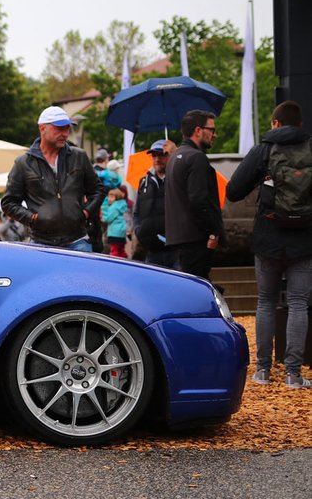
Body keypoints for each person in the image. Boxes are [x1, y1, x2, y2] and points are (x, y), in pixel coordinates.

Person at [225, 101, 312, 389]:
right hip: (304, 239)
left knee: (265, 302)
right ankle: (294, 375)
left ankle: (262, 371)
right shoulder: (309, 147)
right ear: (299, 124)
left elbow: (234, 191)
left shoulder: (263, 150)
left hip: (268, 237)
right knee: (299, 303)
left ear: (275, 123)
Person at [1, 106, 105, 251]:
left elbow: (98, 190)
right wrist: (32, 218)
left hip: (77, 240)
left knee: (80, 275)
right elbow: (8, 202)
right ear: (42, 128)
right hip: (41, 243)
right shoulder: (24, 163)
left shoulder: (79, 156)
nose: (65, 134)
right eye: (59, 128)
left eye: (67, 128)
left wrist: (85, 213)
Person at [165, 110, 223, 279]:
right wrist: (212, 232)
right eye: (211, 130)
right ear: (198, 130)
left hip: (178, 239)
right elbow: (199, 200)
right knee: (198, 292)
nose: (215, 135)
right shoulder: (197, 158)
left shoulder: (174, 158)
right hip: (196, 240)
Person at [133, 139, 175, 267]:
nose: (157, 159)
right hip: (152, 249)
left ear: (169, 156)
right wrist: (139, 231)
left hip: (174, 249)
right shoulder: (144, 181)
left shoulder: (177, 178)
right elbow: (137, 212)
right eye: (154, 156)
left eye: (161, 155)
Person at [102, 188, 129, 257]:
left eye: (112, 197)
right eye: (109, 196)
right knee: (120, 249)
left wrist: (103, 212)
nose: (109, 199)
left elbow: (108, 219)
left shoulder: (114, 207)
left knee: (114, 250)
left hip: (114, 233)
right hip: (121, 232)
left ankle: (113, 265)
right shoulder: (121, 205)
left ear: (117, 198)